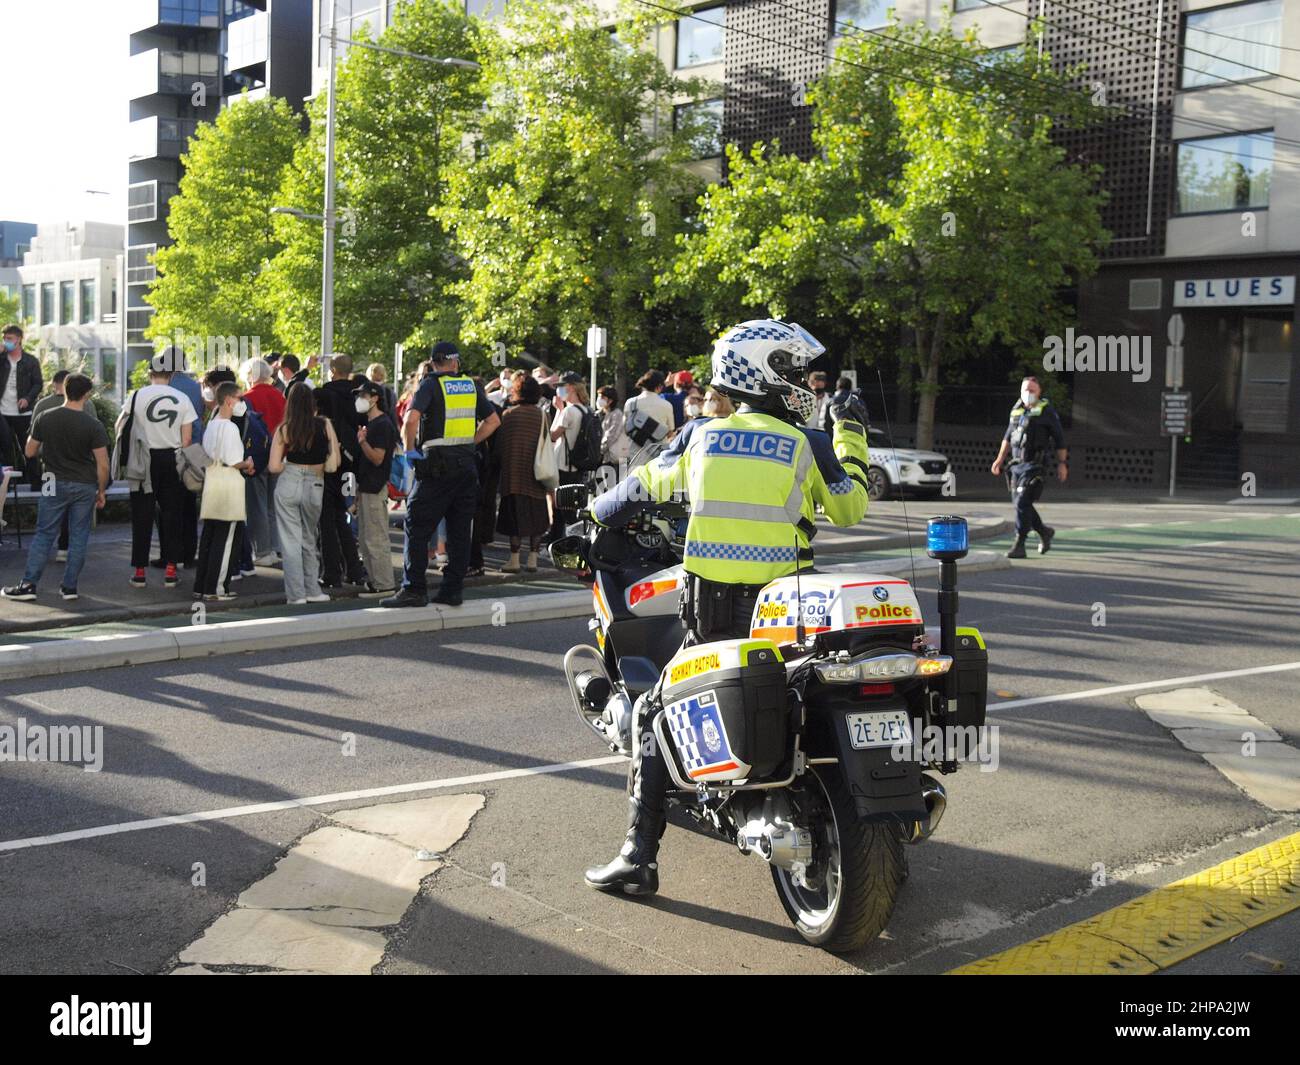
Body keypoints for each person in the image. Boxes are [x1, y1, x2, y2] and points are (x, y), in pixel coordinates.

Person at [582, 318, 871, 896]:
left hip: (714, 618)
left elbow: (626, 498)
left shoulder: (700, 436)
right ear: (763, 374)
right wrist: (852, 439)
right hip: (789, 614)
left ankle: (639, 858)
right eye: (791, 371)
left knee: (652, 714)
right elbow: (851, 509)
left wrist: (593, 509)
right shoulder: (809, 444)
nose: (802, 384)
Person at [383, 341, 500, 608]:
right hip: (466, 466)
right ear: (455, 361)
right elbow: (493, 421)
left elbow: (411, 420)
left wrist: (411, 452)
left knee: (417, 525)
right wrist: (470, 441)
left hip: (436, 467)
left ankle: (414, 588)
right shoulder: (471, 385)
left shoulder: (430, 385)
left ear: (433, 361)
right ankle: (452, 590)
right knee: (460, 531)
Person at [1, 374, 108, 602]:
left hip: (51, 480)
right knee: (79, 536)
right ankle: (69, 588)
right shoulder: (94, 425)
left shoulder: (45, 417)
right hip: (85, 483)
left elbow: (29, 451)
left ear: (64, 389)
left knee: (44, 534)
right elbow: (103, 464)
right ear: (87, 395)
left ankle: (28, 585)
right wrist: (100, 491)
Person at [119, 347, 197, 589]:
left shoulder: (136, 396)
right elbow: (186, 440)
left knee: (141, 515)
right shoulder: (182, 399)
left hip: (143, 460)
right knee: (172, 515)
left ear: (150, 373)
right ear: (171, 375)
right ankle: (172, 569)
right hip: (171, 460)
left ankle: (140, 571)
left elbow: (120, 426)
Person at [268, 382, 338, 605]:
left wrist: (290, 462)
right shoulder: (325, 424)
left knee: (290, 542)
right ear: (312, 404)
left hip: (289, 482)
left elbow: (273, 467)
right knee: (309, 538)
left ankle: (296, 595)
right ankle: (313, 590)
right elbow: (334, 464)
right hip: (315, 484)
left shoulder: (284, 429)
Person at [990, 374, 1068, 558]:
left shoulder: (1046, 411)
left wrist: (1062, 464)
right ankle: (1044, 531)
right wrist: (1000, 459)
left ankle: (1020, 543)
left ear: (1039, 392)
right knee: (1020, 504)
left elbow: (1059, 439)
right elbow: (1008, 437)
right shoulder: (1016, 411)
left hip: (1035, 466)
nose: (1028, 393)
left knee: (1023, 502)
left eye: (1032, 390)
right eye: (1025, 390)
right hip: (1016, 466)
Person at [192, 382, 254, 600]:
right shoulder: (230, 427)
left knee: (210, 535)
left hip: (212, 480)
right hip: (228, 484)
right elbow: (235, 461)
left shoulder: (212, 424)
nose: (241, 402)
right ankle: (217, 588)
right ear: (229, 400)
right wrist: (247, 463)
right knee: (227, 538)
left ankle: (202, 585)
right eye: (239, 398)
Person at [317, 353, 368, 588]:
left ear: (332, 370)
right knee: (343, 516)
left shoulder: (325, 394)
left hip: (330, 462)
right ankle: (355, 570)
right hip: (352, 463)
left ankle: (332, 572)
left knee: (327, 519)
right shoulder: (358, 396)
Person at [495, 373, 550, 573]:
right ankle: (533, 559)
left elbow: (501, 446)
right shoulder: (543, 415)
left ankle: (514, 560)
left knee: (514, 519)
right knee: (536, 519)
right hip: (536, 474)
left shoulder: (508, 415)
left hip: (513, 475)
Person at [353, 379, 397, 597]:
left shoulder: (381, 425)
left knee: (375, 538)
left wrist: (362, 442)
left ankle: (384, 584)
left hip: (374, 488)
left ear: (375, 398)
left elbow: (378, 458)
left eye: (363, 396)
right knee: (367, 538)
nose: (359, 400)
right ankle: (376, 581)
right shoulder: (375, 424)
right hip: (368, 488)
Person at [240, 357, 285, 564]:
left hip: (255, 458)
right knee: (272, 506)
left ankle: (263, 551)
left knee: (256, 505)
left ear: (250, 376)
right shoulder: (279, 396)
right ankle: (276, 547)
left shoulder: (247, 398)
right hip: (278, 456)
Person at [31, 370, 71, 560]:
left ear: (53, 384)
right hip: (76, 471)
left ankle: (43, 550)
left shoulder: (42, 406)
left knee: (48, 508)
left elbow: (33, 442)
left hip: (49, 469)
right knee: (71, 510)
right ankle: (64, 547)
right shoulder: (85, 406)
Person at [548, 374, 592, 541]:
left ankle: (559, 541)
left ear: (571, 387)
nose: (559, 390)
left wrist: (559, 410)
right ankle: (570, 539)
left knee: (561, 506)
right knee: (572, 507)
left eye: (562, 386)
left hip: (564, 465)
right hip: (579, 464)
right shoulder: (586, 409)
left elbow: (553, 435)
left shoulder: (569, 411)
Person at [0, 324, 43, 479]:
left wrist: (27, 398)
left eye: (9, 339)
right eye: (4, 338)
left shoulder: (30, 361)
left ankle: (35, 480)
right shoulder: (2, 359)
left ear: (19, 340)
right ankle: (7, 482)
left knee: (27, 447)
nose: (6, 342)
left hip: (23, 412)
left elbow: (38, 383)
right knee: (5, 448)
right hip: (2, 412)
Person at [622, 370, 674, 450]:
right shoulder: (667, 405)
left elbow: (624, 428)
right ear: (660, 386)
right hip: (656, 453)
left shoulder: (631, 402)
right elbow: (670, 432)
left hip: (633, 453)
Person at [597, 385, 631, 470]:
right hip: (604, 458)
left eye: (602, 397)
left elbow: (611, 435)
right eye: (599, 397)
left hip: (615, 460)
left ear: (610, 400)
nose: (599, 399)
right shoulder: (599, 414)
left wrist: (599, 450)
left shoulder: (617, 414)